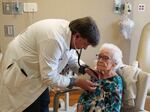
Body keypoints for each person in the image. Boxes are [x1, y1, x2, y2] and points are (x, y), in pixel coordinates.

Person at [0, 17, 100, 112]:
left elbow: (71, 56)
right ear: (77, 36)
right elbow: (49, 77)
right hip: (22, 70)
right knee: (30, 107)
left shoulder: (71, 32)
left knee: (44, 102)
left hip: (37, 75)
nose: (85, 48)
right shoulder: (54, 39)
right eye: (85, 44)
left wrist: (85, 69)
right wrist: (76, 82)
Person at [77, 43, 123, 112]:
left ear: (115, 63)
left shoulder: (115, 82)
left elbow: (114, 109)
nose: (100, 60)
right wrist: (79, 107)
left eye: (106, 58)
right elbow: (84, 96)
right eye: (99, 57)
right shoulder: (95, 75)